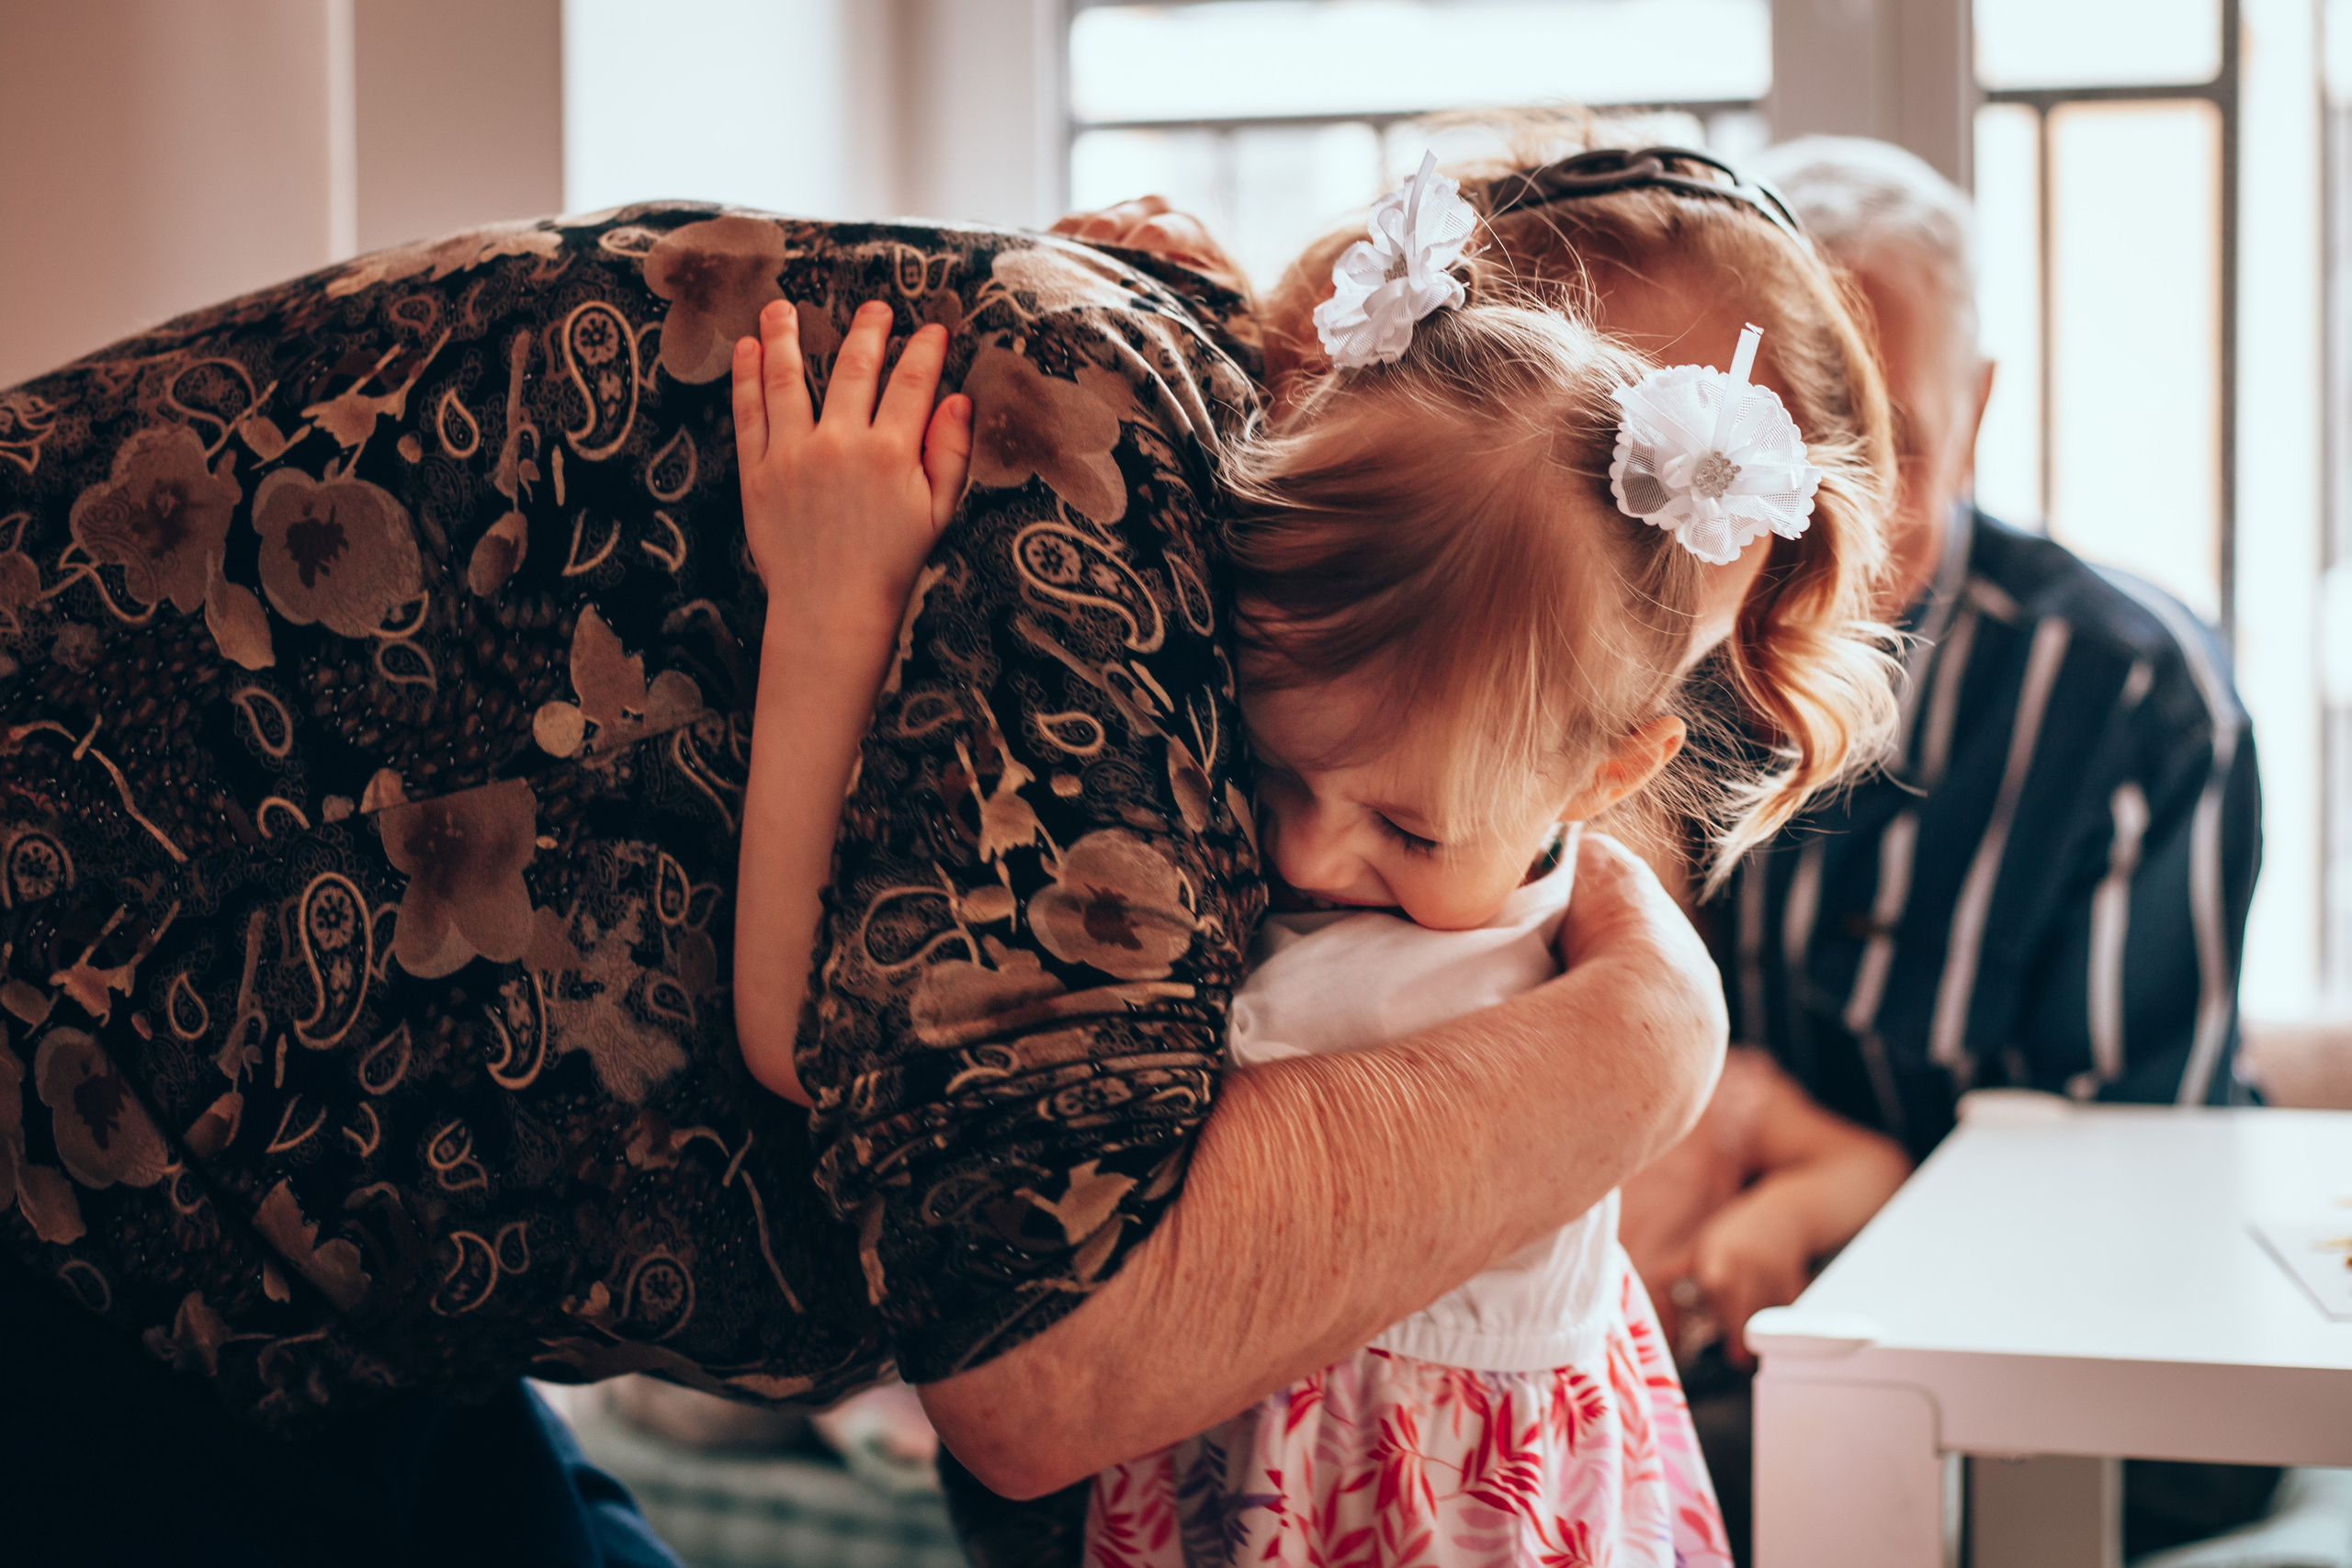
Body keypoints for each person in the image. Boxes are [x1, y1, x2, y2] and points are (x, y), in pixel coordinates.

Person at [0, 200, 1729, 1565]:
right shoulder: (1470, 832)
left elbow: (801, 1043)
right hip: (163, 1228)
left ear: (1620, 772)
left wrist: (831, 626)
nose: (1307, 849)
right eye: (1276, 773)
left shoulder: (1441, 951)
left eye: (1401, 832)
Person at [1619, 134, 2267, 1562]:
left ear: (1978, 408)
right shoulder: (1674, 651)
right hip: (1759, 1319)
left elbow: (2112, 1192)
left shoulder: (2139, 700)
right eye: (1799, 440)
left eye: (1895, 440)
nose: (1840, 506)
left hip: (2090, 1358)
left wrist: (1802, 1202)